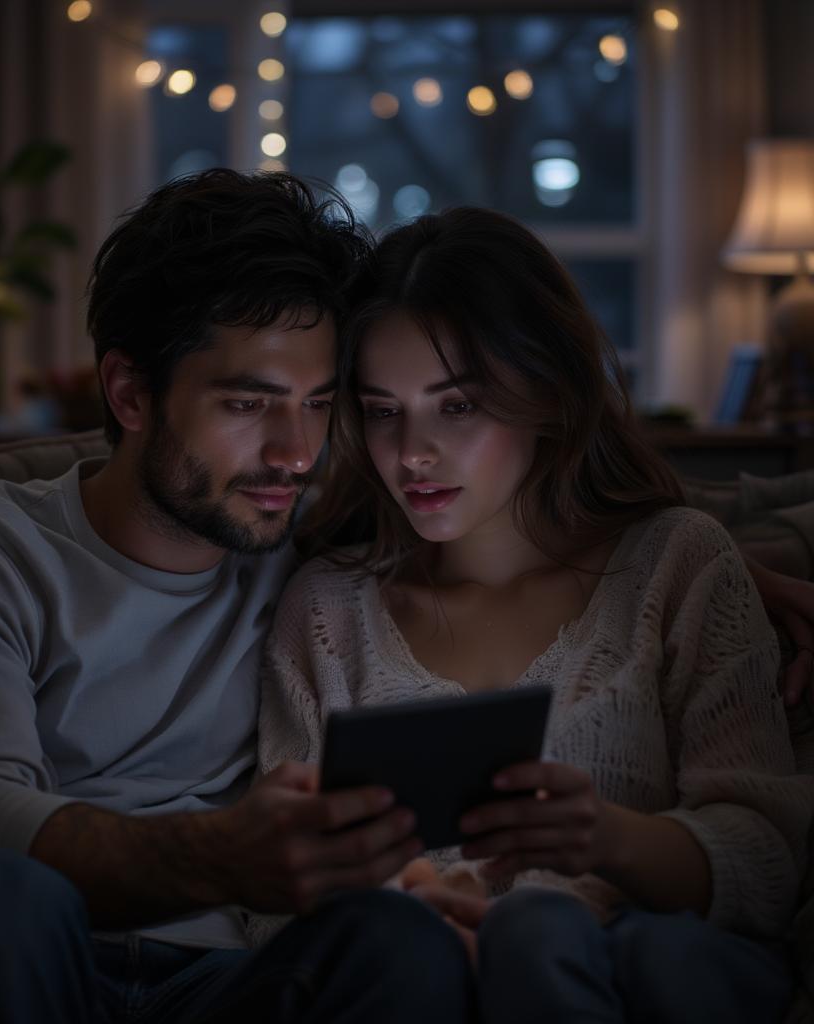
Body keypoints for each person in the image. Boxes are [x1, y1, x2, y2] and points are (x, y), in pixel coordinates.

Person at [0, 170, 479, 1023]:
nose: (296, 452)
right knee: (0, 895)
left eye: (319, 405)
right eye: (249, 402)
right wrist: (220, 857)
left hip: (222, 983)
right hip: (8, 956)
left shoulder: (319, 551)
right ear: (130, 392)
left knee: (399, 942)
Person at [256, 206, 814, 1023]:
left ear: (545, 394)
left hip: (638, 979)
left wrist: (606, 840)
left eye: (458, 406)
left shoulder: (675, 566)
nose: (412, 452)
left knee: (543, 931)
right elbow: (280, 888)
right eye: (382, 410)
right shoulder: (327, 611)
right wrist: (428, 910)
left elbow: (769, 862)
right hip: (418, 989)